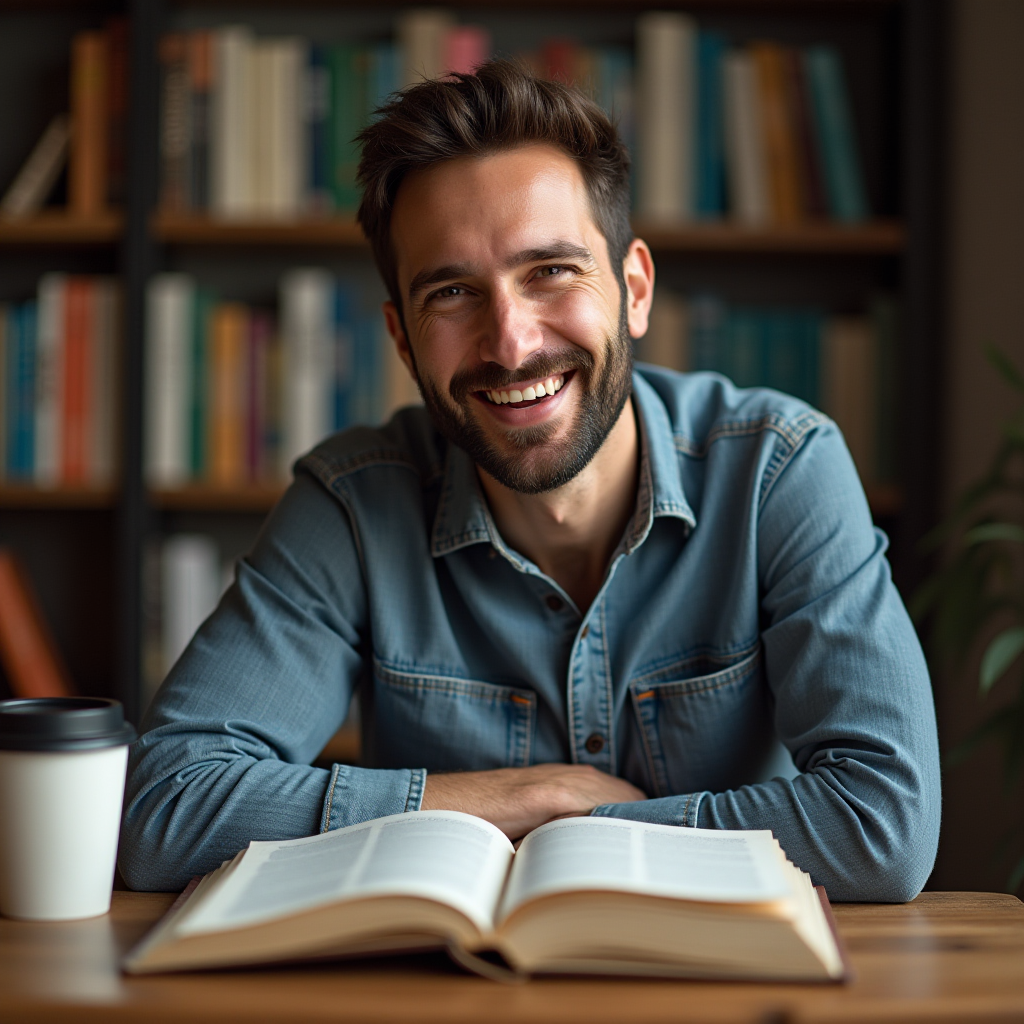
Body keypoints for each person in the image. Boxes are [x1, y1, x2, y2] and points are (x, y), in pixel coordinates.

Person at [121, 60, 940, 901]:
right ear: (403, 341)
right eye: (452, 292)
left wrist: (591, 835)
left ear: (633, 289)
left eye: (550, 271)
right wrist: (525, 797)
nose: (510, 343)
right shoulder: (354, 503)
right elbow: (164, 810)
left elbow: (884, 828)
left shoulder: (779, 469)